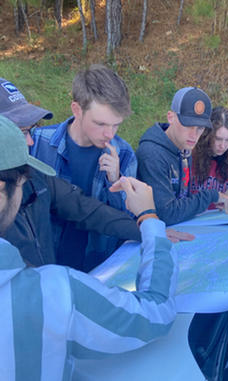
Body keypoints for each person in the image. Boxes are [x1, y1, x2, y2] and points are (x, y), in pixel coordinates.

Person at [0, 117, 178, 380]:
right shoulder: (54, 294)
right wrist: (149, 219)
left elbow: (83, 207)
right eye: (22, 179)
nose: (30, 140)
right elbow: (155, 314)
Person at [0, 79, 192, 271]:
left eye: (30, 130)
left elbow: (84, 208)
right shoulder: (38, 147)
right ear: (77, 110)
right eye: (22, 132)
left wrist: (147, 228)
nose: (30, 141)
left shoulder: (32, 172)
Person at [30, 65, 143, 268]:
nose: (110, 134)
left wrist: (115, 182)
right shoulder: (37, 143)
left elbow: (127, 222)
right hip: (44, 266)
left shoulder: (124, 154)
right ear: (77, 110)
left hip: (97, 266)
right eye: (100, 124)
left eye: (116, 124)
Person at [136, 87, 228, 226]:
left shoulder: (184, 146)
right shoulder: (152, 155)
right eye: (188, 125)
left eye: (200, 128)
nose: (194, 135)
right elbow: (168, 214)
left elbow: (183, 197)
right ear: (171, 117)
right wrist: (211, 195)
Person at [191, 106, 228, 209]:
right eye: (218, 139)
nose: (222, 146)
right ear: (207, 135)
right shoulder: (190, 154)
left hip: (222, 220)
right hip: (192, 218)